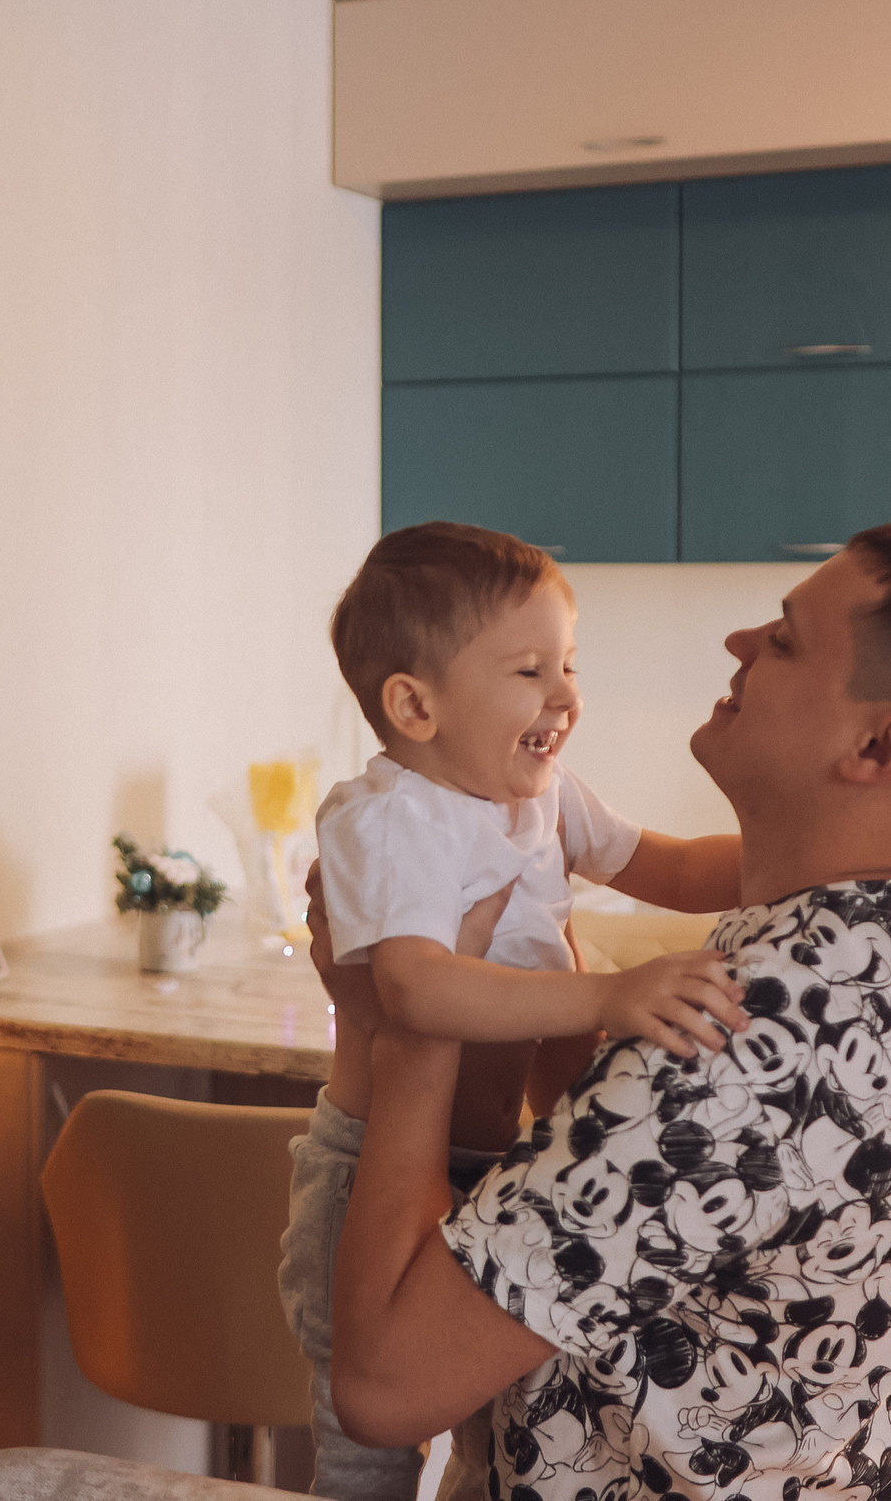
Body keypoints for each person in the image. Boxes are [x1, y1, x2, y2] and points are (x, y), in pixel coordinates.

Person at [321, 522, 891, 1500]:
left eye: (784, 638)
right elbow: (639, 1203)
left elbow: (382, 1390)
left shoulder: (744, 1044)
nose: (739, 645)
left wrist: (403, 1033)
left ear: (877, 745)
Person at [281, 521, 748, 1500]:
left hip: (492, 1164)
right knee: (365, 1452)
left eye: (568, 664)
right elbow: (414, 989)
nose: (566, 697)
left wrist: (808, 858)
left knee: (490, 1427)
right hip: (373, 1168)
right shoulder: (389, 818)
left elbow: (664, 864)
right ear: (414, 705)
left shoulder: (540, 799)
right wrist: (608, 993)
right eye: (530, 671)